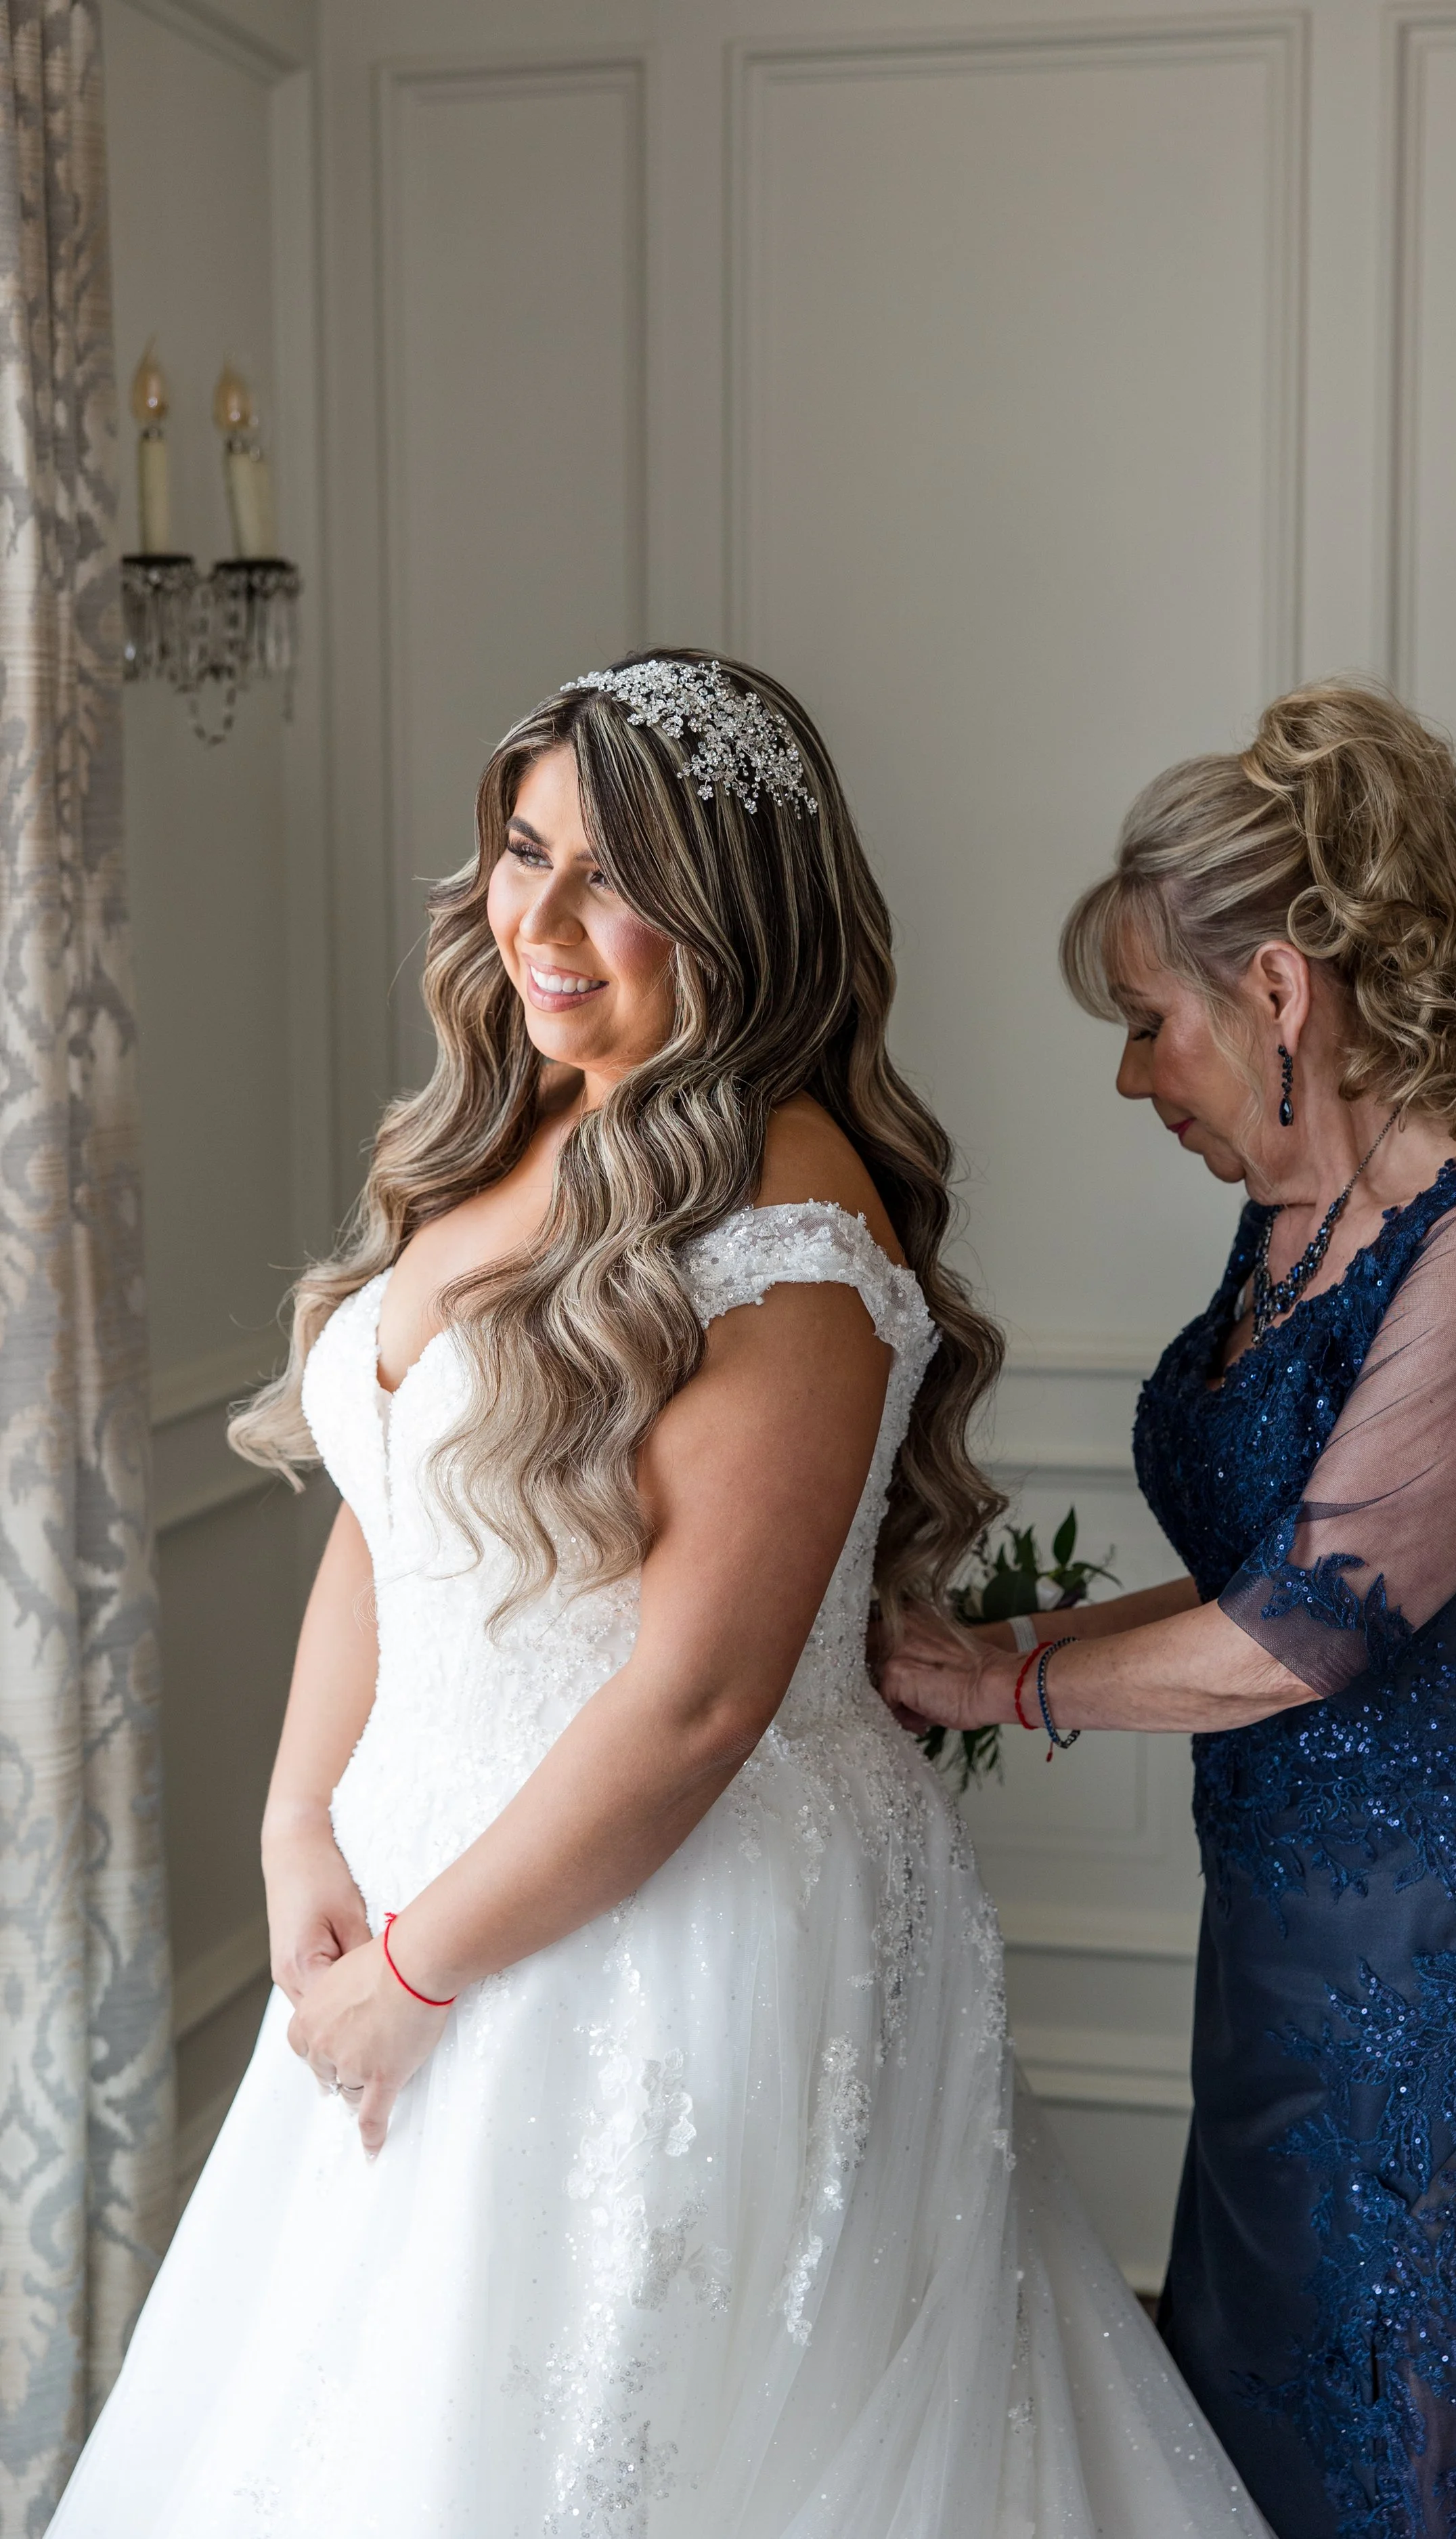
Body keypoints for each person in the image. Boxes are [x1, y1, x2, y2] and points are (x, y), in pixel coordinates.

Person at [49, 653, 1268, 2538]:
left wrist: (416, 1969)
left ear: (733, 907)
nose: (531, 919)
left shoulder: (786, 1200)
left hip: (657, 1926)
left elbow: (698, 1700)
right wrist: (302, 1824)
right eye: (519, 850)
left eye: (605, 878)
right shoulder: (511, 1122)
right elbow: (396, 1511)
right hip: (419, 1893)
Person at [882, 681, 1456, 2539]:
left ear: (1275, 993)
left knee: (1448, 2461)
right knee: (1274, 2442)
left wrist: (1004, 1677)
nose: (1126, 1075)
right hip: (1286, 1958)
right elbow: (1289, 1567)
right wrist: (1012, 1655)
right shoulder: (1291, 1219)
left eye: (1145, 1021)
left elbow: (1302, 1631)